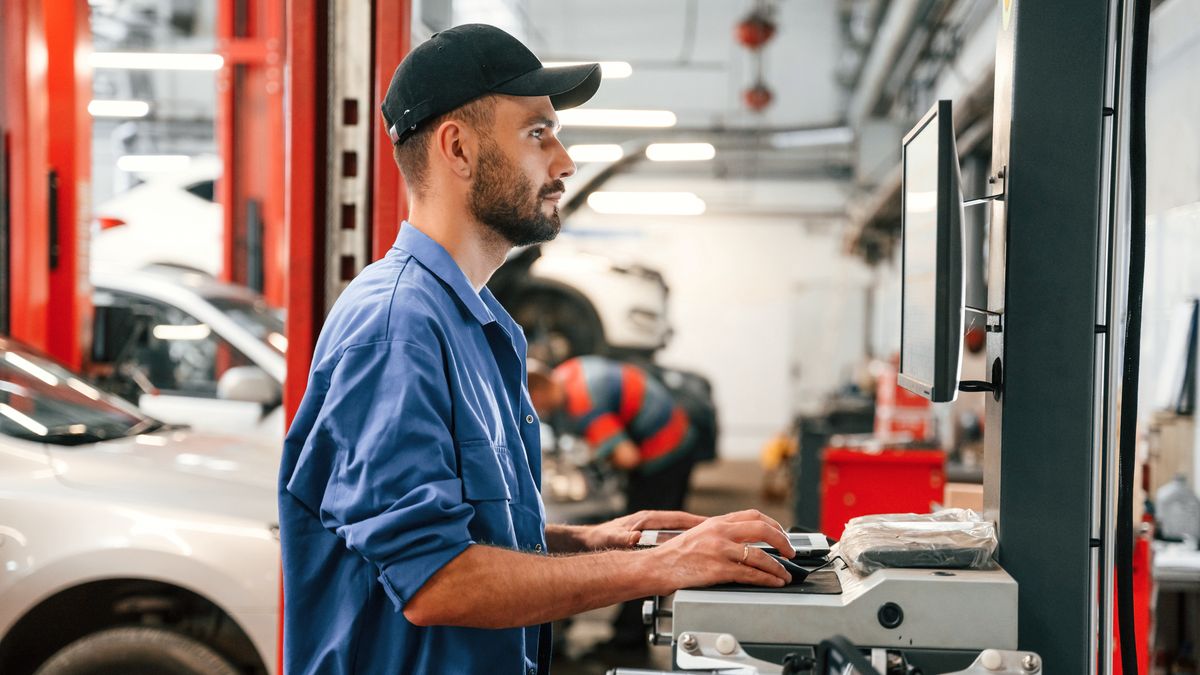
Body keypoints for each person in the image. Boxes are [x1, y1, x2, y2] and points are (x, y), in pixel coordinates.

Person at [277, 24, 796, 675]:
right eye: (537, 133)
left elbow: (468, 534)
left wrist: (591, 541)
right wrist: (663, 565)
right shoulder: (396, 327)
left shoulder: (481, 325)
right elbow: (438, 581)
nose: (564, 161)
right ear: (458, 148)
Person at [527, 355, 699, 653]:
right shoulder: (568, 372)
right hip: (677, 428)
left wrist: (594, 453)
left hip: (665, 450)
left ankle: (629, 639)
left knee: (642, 541)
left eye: (532, 404)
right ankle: (632, 631)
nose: (535, 412)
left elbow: (627, 457)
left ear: (538, 391)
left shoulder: (583, 405)